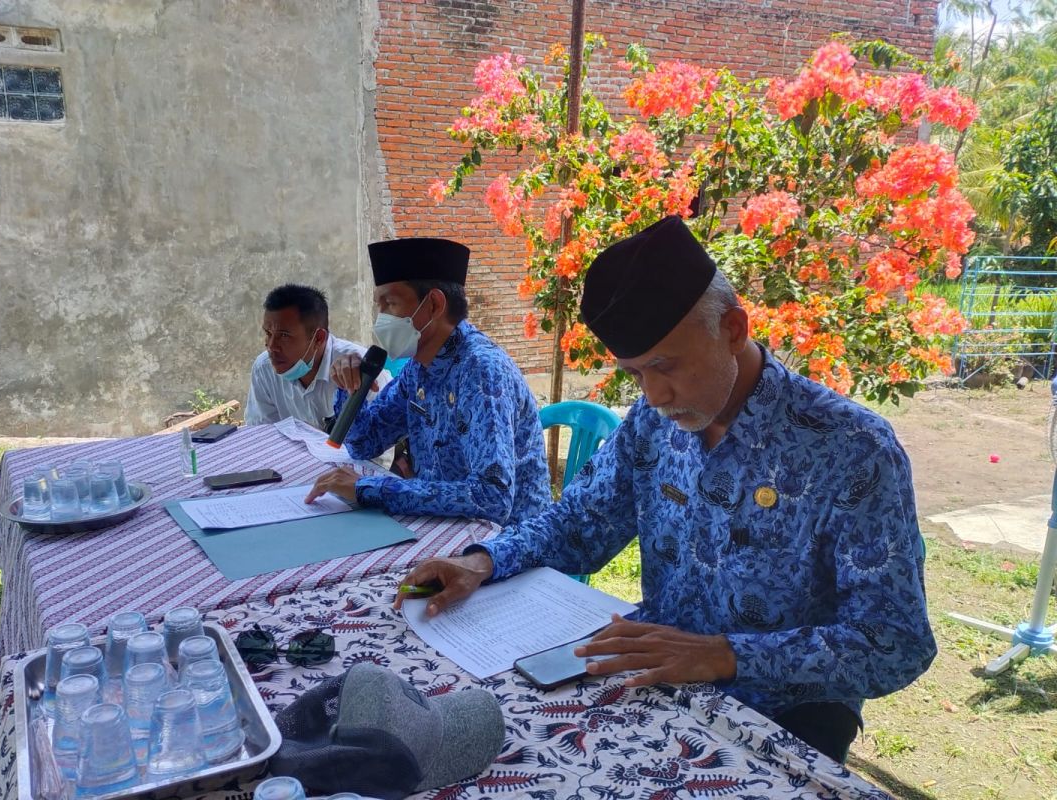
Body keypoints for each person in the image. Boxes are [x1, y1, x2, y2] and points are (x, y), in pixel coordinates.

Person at [393, 216, 937, 764]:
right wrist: (484, 561)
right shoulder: (654, 424)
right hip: (657, 678)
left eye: (665, 367)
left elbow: (894, 642)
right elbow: (581, 523)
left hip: (783, 708)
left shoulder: (850, 449)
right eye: (635, 375)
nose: (653, 395)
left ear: (733, 329)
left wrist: (724, 655)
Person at [306, 237, 550, 528]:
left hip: (504, 542)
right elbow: (365, 443)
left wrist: (371, 489)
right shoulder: (418, 368)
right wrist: (350, 386)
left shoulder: (481, 372)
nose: (380, 318)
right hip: (443, 528)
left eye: (390, 303)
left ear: (433, 304)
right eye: (379, 306)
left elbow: (492, 497)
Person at [245, 284, 381, 431]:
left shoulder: (359, 371)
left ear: (318, 338)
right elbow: (263, 433)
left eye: (284, 336)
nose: (271, 346)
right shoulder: (264, 369)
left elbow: (382, 443)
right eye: (268, 333)